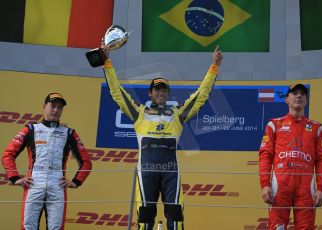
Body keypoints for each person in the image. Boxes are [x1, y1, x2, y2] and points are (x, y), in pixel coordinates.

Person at [102, 46, 222, 230]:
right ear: (150, 93)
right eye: (156, 89)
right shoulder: (139, 113)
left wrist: (214, 66)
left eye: (164, 90)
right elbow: (117, 93)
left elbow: (200, 96)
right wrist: (107, 63)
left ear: (168, 93)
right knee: (144, 219)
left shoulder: (177, 114)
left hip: (170, 172)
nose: (160, 93)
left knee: (176, 218)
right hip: (146, 172)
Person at [2, 93, 92, 230]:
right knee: (28, 226)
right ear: (44, 107)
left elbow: (86, 162)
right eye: (53, 106)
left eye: (59, 107)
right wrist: (15, 178)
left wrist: (76, 181)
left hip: (57, 184)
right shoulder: (31, 129)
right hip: (34, 182)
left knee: (56, 227)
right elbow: (8, 154)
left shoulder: (69, 133)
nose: (56, 110)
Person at [259, 84, 322, 229]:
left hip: (306, 188)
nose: (299, 96)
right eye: (294, 93)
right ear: (286, 99)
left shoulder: (316, 127)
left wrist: (321, 189)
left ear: (306, 100)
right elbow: (265, 156)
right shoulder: (274, 124)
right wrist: (265, 185)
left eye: (303, 94)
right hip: (280, 186)